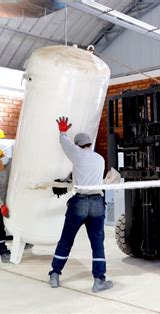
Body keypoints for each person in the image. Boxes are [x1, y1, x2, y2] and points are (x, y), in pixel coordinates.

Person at [48, 116, 113, 293]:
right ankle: (99, 281)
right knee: (97, 243)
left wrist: (62, 131)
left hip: (80, 203)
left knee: (66, 239)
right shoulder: (100, 159)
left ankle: (55, 274)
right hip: (98, 203)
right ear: (90, 144)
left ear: (78, 145)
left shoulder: (76, 154)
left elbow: (64, 143)